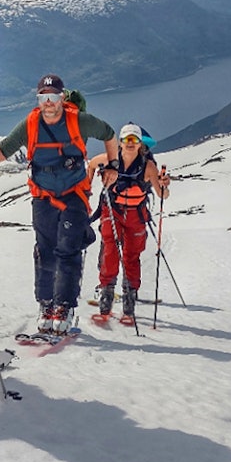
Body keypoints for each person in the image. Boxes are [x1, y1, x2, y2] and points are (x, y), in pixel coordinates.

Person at [0, 75, 118, 334]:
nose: (48, 102)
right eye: (43, 97)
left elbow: (109, 134)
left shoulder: (80, 121)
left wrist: (113, 165)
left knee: (68, 249)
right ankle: (46, 304)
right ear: (38, 99)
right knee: (44, 250)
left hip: (73, 194)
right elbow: (2, 153)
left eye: (53, 96)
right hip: (42, 195)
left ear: (61, 98)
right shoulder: (30, 124)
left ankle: (63, 306)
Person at [86, 123, 171, 319]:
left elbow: (162, 194)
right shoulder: (108, 159)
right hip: (112, 210)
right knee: (110, 249)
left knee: (132, 254)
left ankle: (129, 294)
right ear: (120, 142)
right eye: (126, 139)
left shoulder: (148, 166)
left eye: (134, 139)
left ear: (140, 143)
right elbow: (91, 165)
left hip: (135, 214)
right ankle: (107, 291)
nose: (130, 143)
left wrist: (164, 185)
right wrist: (85, 190)